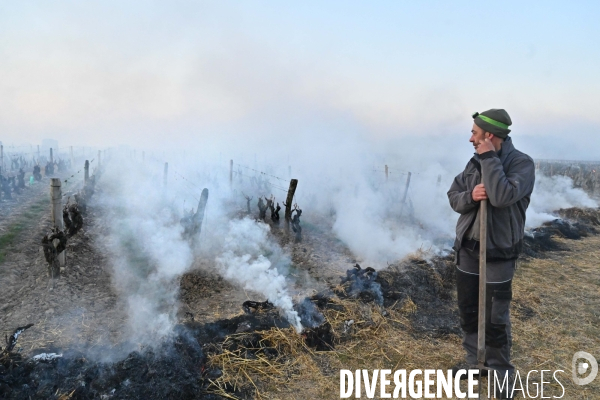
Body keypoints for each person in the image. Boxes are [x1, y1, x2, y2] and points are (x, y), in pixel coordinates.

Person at [447, 109, 535, 396]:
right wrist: (470, 197)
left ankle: (500, 374)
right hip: (470, 250)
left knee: (495, 318)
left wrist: (489, 159)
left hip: (498, 252)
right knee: (469, 311)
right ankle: (475, 364)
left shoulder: (521, 164)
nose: (470, 138)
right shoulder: (473, 162)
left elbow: (501, 197)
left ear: (490, 136)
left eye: (475, 133)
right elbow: (453, 196)